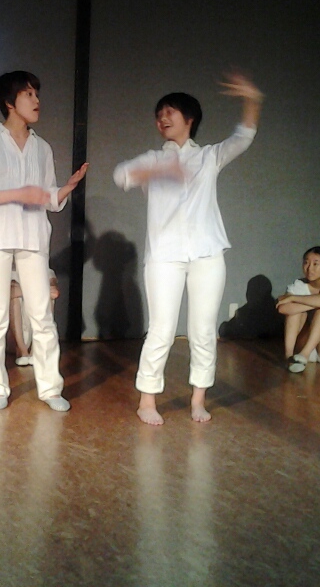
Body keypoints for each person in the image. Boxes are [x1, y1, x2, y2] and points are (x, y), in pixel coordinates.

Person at [114, 73, 263, 426]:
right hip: (165, 256)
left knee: (203, 330)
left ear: (189, 119)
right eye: (159, 115)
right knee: (162, 329)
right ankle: (147, 400)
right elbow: (121, 175)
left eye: (170, 112)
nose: (163, 119)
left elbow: (243, 138)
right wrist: (157, 173)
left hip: (207, 254)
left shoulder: (209, 157)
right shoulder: (154, 158)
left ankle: (198, 398)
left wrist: (252, 99)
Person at [0, 70, 88, 411]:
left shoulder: (42, 147)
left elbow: (47, 197)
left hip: (33, 237)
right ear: (10, 102)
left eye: (36, 94)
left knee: (42, 315)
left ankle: (50, 388)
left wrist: (64, 189)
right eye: (28, 94)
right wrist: (16, 193)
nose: (36, 100)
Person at [9, 267, 59, 366]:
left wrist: (24, 291)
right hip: (15, 331)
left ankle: (35, 351)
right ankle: (22, 351)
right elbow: (10, 293)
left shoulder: (46, 271)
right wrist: (39, 291)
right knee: (14, 300)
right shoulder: (10, 272)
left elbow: (54, 293)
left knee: (48, 300)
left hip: (33, 326)